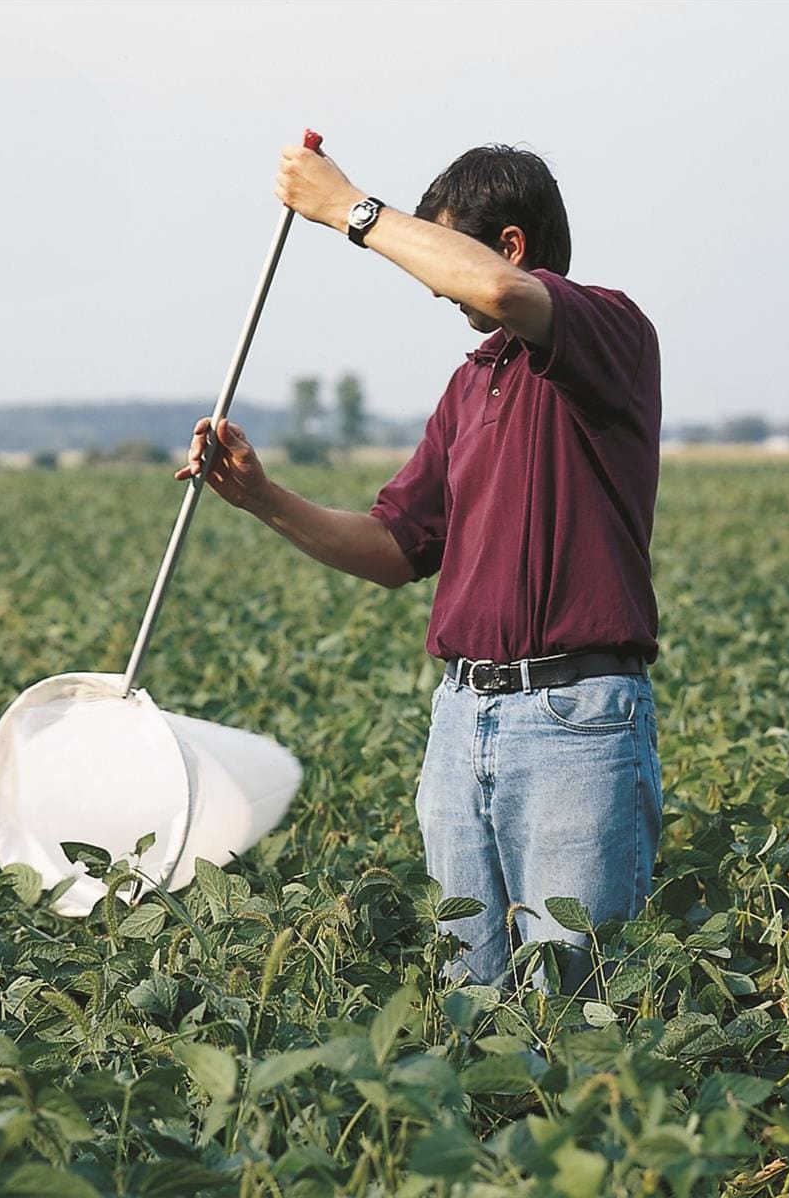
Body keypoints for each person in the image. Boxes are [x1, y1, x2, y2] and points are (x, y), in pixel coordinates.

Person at [176, 141, 663, 993]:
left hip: (574, 723)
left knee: (575, 1005)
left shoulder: (609, 329)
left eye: (444, 258)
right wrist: (260, 497)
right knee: (468, 996)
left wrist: (350, 210)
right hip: (460, 720)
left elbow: (500, 294)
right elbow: (395, 548)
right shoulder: (470, 387)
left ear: (508, 245)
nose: (434, 287)